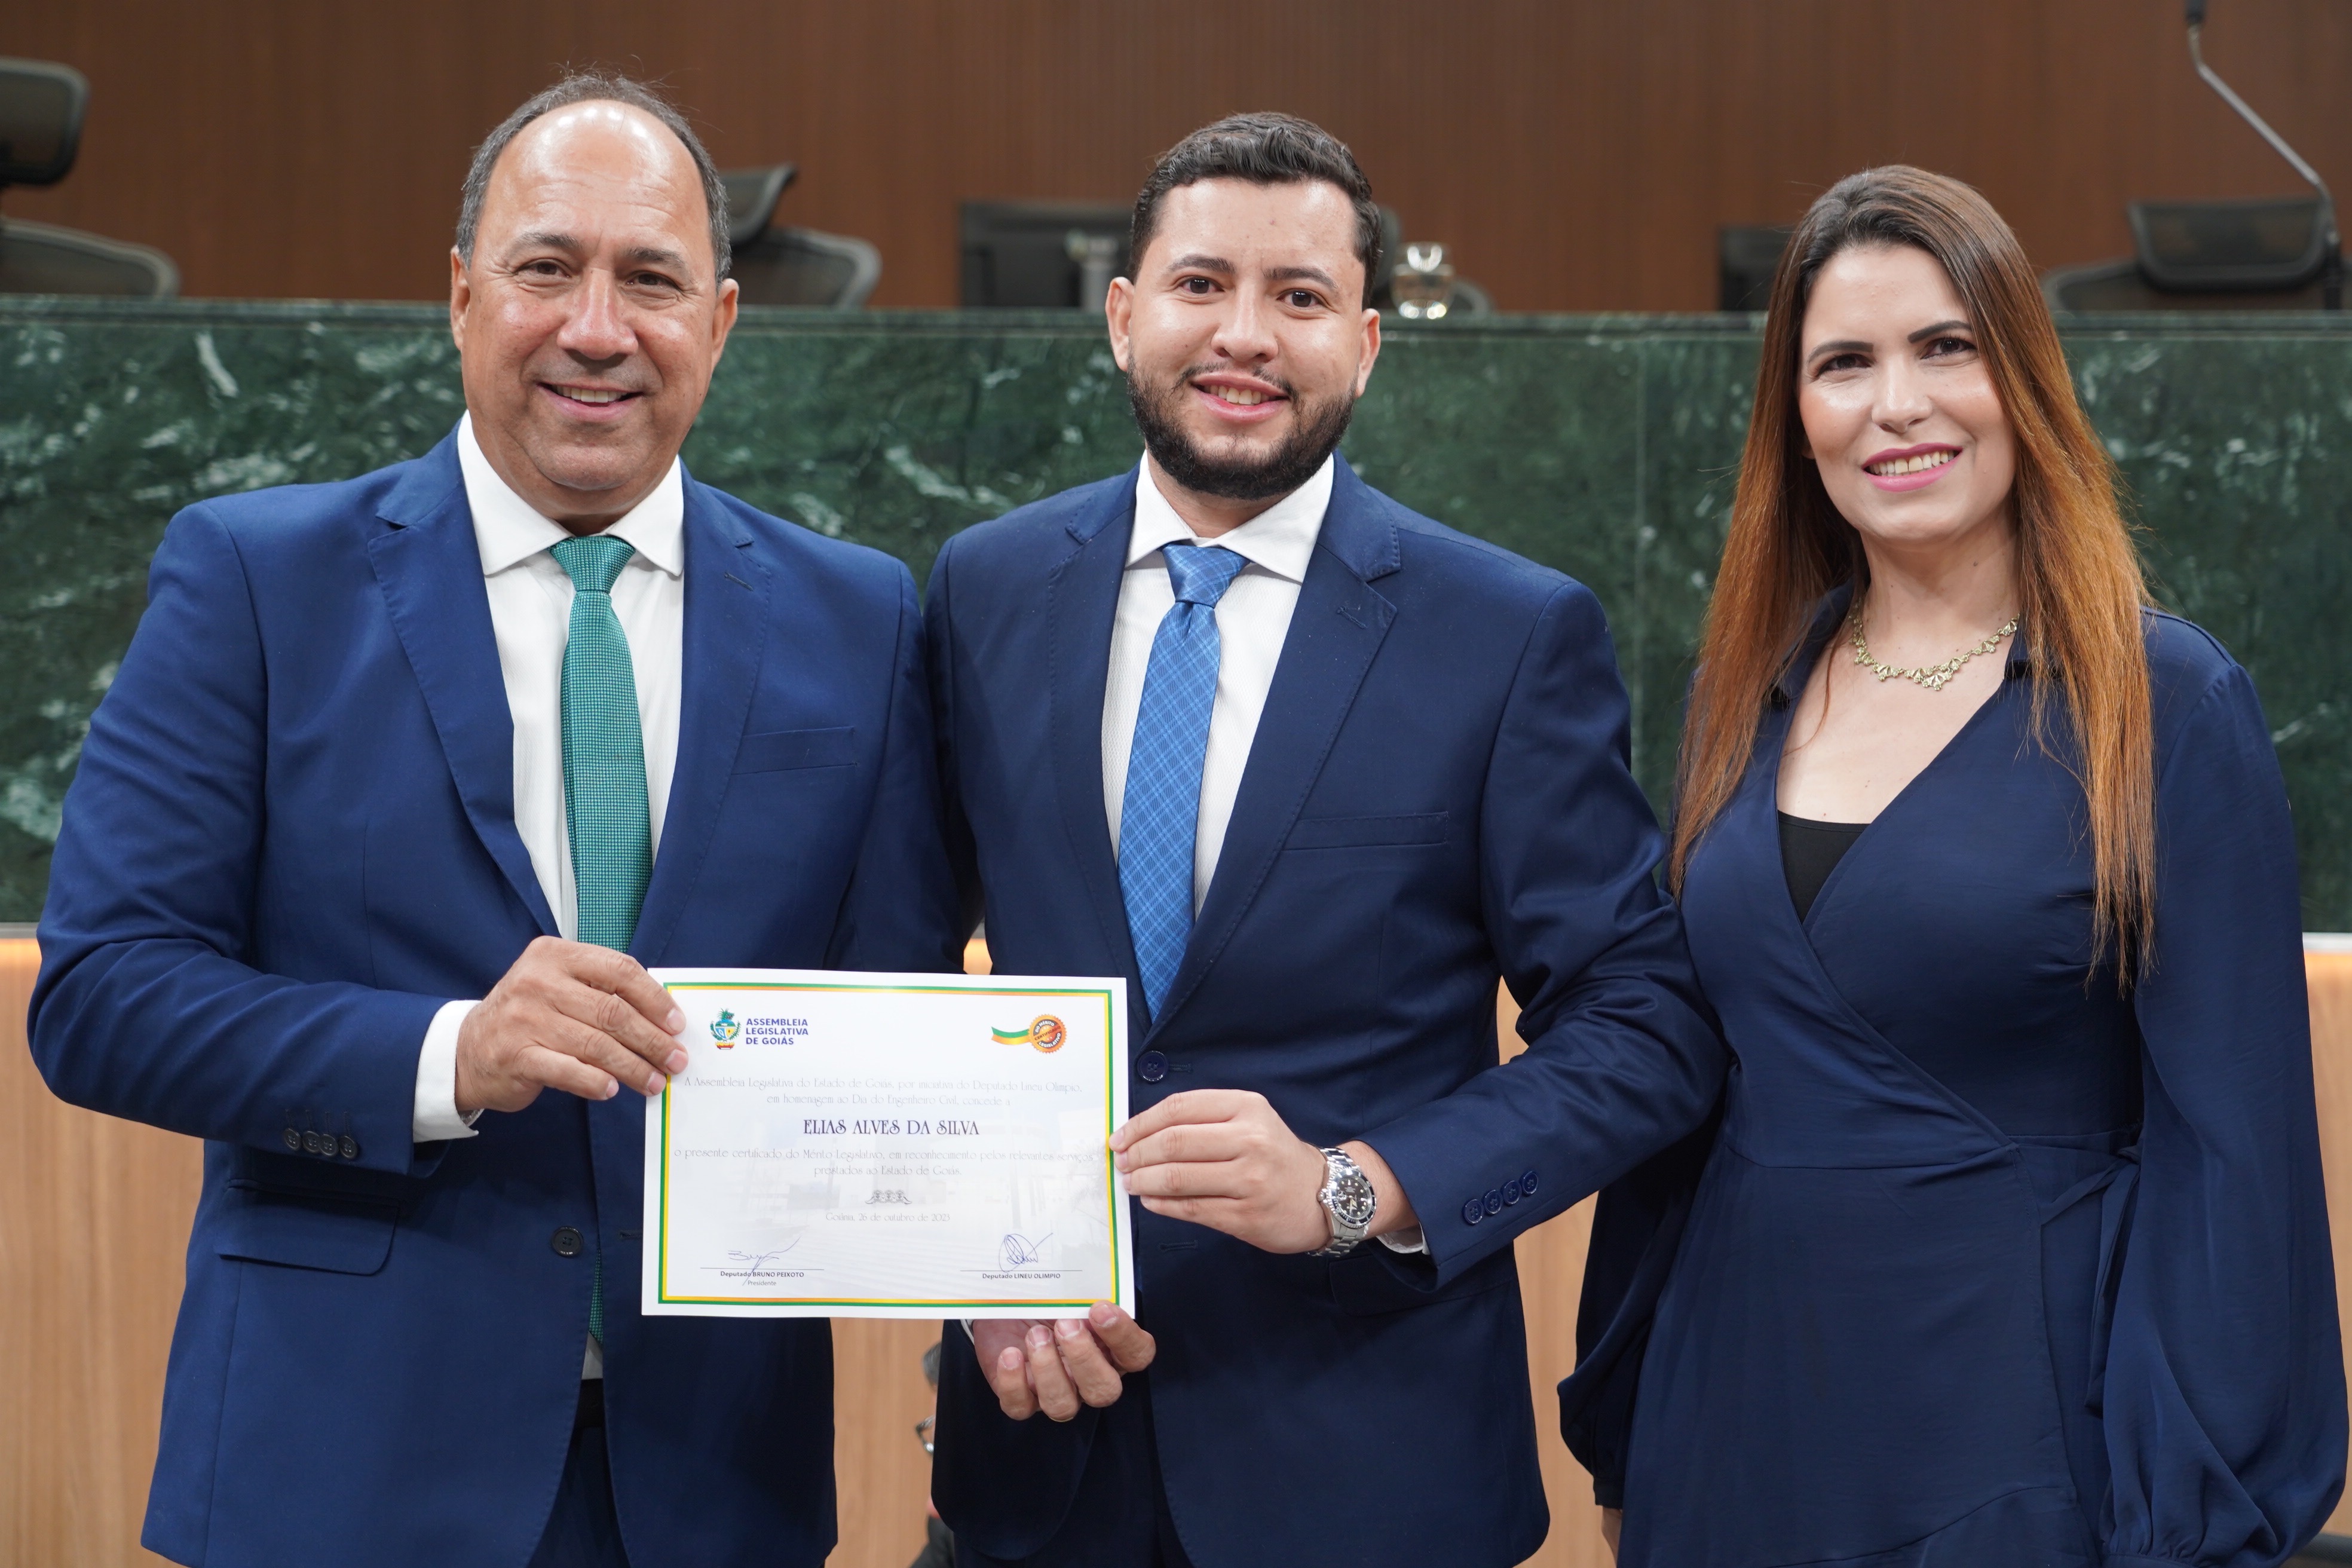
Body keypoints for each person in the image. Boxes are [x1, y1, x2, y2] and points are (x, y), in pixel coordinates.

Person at [29, 74, 958, 1568]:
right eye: (546, 268)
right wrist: (449, 1055)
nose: (597, 327)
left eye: (650, 278)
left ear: (721, 321)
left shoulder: (859, 617)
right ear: (461, 297)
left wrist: (1009, 1281)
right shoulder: (255, 582)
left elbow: (893, 1017)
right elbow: (103, 997)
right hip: (344, 1468)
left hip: (711, 1485)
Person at [923, 112, 1724, 1568]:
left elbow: (1645, 1020)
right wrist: (969, 1267)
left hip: (1369, 1463)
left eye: (1297, 296)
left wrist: (1356, 1185)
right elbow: (898, 976)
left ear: (1365, 345)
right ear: (1123, 317)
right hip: (1041, 1450)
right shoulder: (982, 591)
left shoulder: (1506, 634)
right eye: (1201, 284)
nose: (1244, 334)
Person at [1562, 165, 2347, 1567]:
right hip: (1729, 1414)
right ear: (1796, 416)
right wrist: (1625, 1421)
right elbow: (1683, 1093)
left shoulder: (2166, 702)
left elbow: (2234, 1160)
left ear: (2023, 378)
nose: (1898, 404)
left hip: (2017, 1435)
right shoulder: (1740, 691)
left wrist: (2202, 1513)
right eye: (1843, 364)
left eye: (1945, 347)